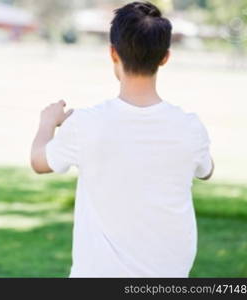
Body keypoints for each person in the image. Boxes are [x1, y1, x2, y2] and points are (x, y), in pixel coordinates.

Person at [31, 1, 214, 277]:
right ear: (165, 57)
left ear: (112, 52)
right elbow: (207, 170)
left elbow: (39, 161)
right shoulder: (190, 127)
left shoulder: (86, 123)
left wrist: (48, 123)